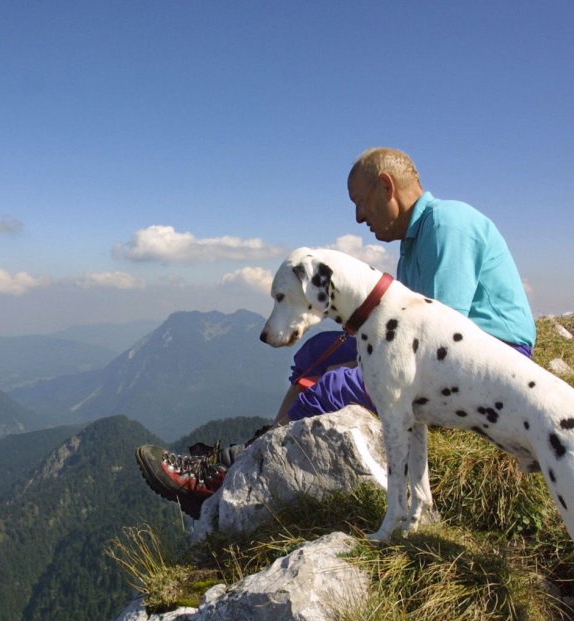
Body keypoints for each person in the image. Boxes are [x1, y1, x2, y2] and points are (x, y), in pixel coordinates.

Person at [136, 147, 537, 518]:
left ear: (386, 187)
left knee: (332, 385)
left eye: (360, 203)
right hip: (454, 356)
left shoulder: (448, 226)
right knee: (316, 353)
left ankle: (228, 474)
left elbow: (442, 332)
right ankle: (261, 446)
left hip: (492, 363)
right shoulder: (417, 239)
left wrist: (361, 358)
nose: (359, 218)